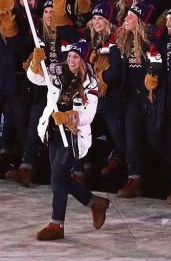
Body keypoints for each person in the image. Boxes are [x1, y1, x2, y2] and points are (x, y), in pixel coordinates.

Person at [25, 39, 111, 241]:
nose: (71, 60)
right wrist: (35, 63)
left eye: (76, 57)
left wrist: (68, 116)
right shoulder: (57, 72)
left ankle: (57, 224)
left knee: (57, 178)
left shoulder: (90, 83)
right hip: (54, 132)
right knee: (60, 177)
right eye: (70, 56)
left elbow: (88, 115)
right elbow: (34, 78)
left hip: (72, 136)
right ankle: (94, 203)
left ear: (83, 60)